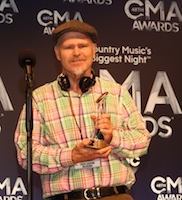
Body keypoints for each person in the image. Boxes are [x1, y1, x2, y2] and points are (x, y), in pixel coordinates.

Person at [14, 20, 151, 200]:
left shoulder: (116, 92)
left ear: (94, 50)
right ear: (57, 53)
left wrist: (113, 138)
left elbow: (142, 140)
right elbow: (25, 153)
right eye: (69, 47)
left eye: (83, 46)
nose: (76, 52)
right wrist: (71, 156)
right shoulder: (39, 99)